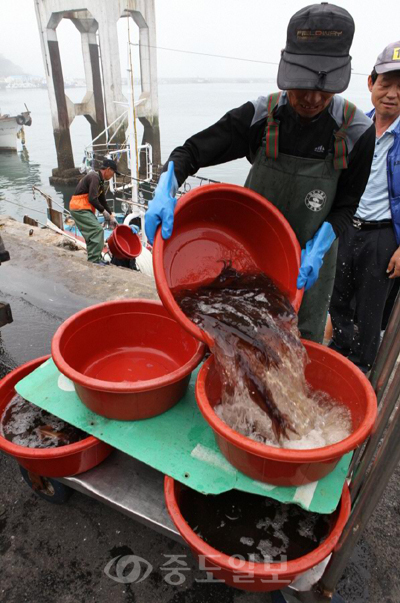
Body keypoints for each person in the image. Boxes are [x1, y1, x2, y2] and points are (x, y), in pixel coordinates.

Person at [145, 3, 375, 343]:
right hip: (248, 256)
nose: (311, 99)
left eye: (324, 90)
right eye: (301, 86)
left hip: (307, 270)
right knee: (234, 339)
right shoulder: (260, 117)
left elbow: (348, 204)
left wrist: (321, 242)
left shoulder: (357, 131)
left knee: (300, 344)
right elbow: (191, 153)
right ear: (286, 67)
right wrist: (166, 185)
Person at [329, 41, 400, 373]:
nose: (392, 93)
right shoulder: (356, 127)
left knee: (371, 313)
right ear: (371, 82)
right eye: (386, 83)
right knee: (337, 300)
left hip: (382, 236)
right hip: (347, 227)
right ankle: (337, 360)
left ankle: (359, 372)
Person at [69, 158, 120, 264]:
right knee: (97, 230)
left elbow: (103, 202)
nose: (113, 176)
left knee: (93, 233)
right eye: (113, 173)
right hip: (79, 208)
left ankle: (95, 257)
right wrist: (104, 212)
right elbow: (92, 199)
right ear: (108, 169)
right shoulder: (94, 177)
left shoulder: (100, 181)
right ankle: (94, 260)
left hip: (83, 208)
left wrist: (111, 216)